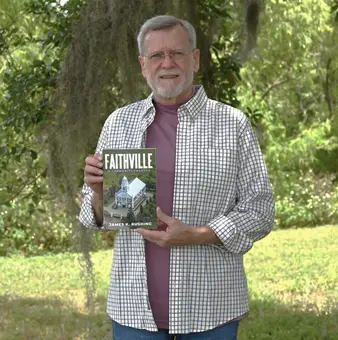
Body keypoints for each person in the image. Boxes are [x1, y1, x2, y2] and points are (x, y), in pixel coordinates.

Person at [79, 15, 275, 340]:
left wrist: (199, 234)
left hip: (213, 311)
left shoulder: (232, 125)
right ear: (143, 65)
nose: (167, 63)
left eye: (177, 53)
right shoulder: (119, 124)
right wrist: (99, 193)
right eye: (156, 56)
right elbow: (96, 216)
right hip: (134, 312)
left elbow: (261, 211)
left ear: (195, 59)